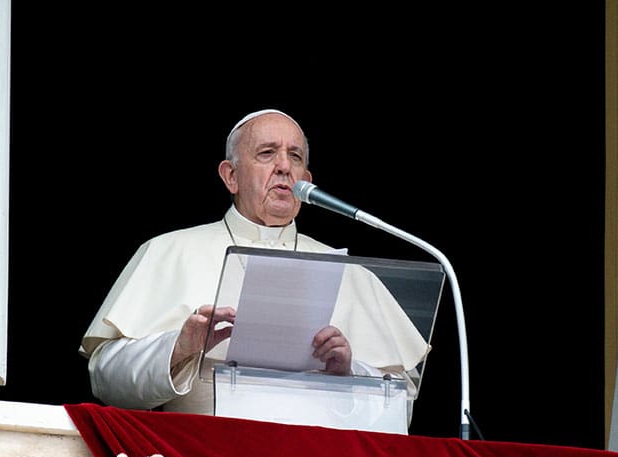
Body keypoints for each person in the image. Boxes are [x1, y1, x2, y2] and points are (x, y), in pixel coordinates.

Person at [79, 109, 430, 423]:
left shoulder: (354, 274)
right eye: (267, 153)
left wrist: (348, 372)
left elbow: (403, 408)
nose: (284, 166)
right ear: (230, 175)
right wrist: (179, 347)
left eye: (295, 157)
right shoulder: (169, 251)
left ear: (307, 177)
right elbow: (105, 378)